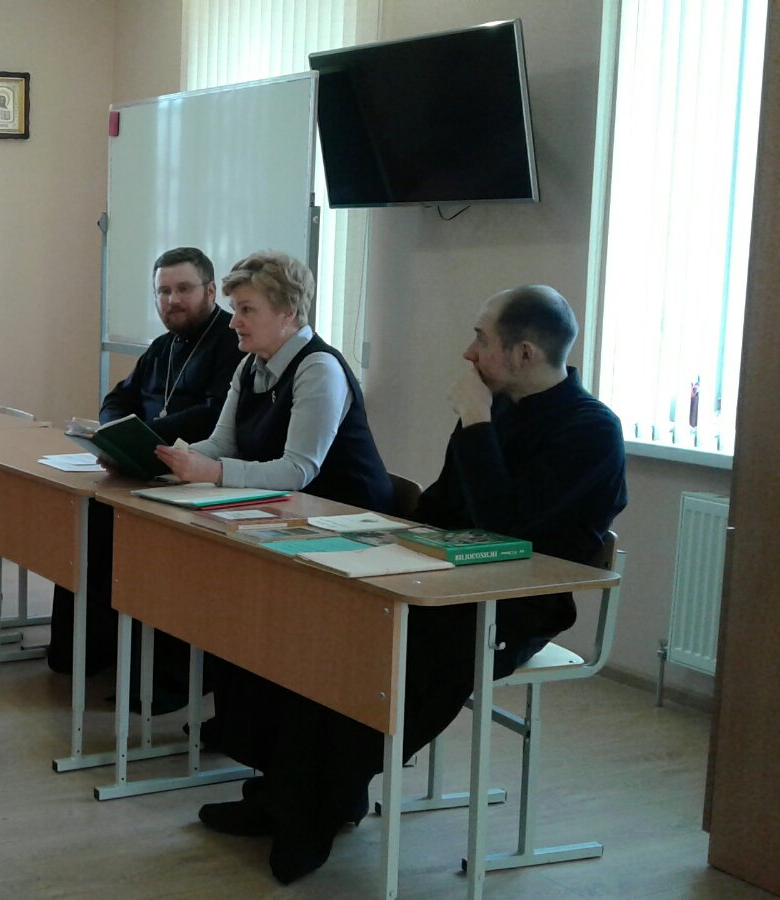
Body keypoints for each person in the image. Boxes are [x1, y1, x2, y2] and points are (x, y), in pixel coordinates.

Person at [196, 285, 627, 885]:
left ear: (525, 353)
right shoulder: (492, 410)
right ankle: (284, 794)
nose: (468, 353)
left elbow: (507, 525)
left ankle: (309, 813)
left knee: (391, 658)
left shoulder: (590, 430)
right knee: (317, 624)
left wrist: (477, 423)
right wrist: (378, 546)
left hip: (513, 606)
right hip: (441, 577)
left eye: (481, 339)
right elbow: (444, 509)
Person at [46, 247, 245, 694]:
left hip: (193, 477)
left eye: (183, 289)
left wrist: (145, 436)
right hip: (144, 468)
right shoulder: (162, 347)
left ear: (211, 291)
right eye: (163, 291)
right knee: (87, 524)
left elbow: (215, 416)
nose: (172, 300)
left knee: (145, 544)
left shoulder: (232, 344)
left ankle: (157, 680)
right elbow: (119, 397)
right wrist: (116, 431)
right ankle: (86, 654)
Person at [153, 250, 393, 510]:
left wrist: (215, 471)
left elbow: (297, 470)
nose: (233, 323)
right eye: (234, 310)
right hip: (291, 510)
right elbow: (222, 444)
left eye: (247, 310)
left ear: (287, 312)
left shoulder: (319, 368)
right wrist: (161, 459)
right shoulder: (248, 365)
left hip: (350, 515)